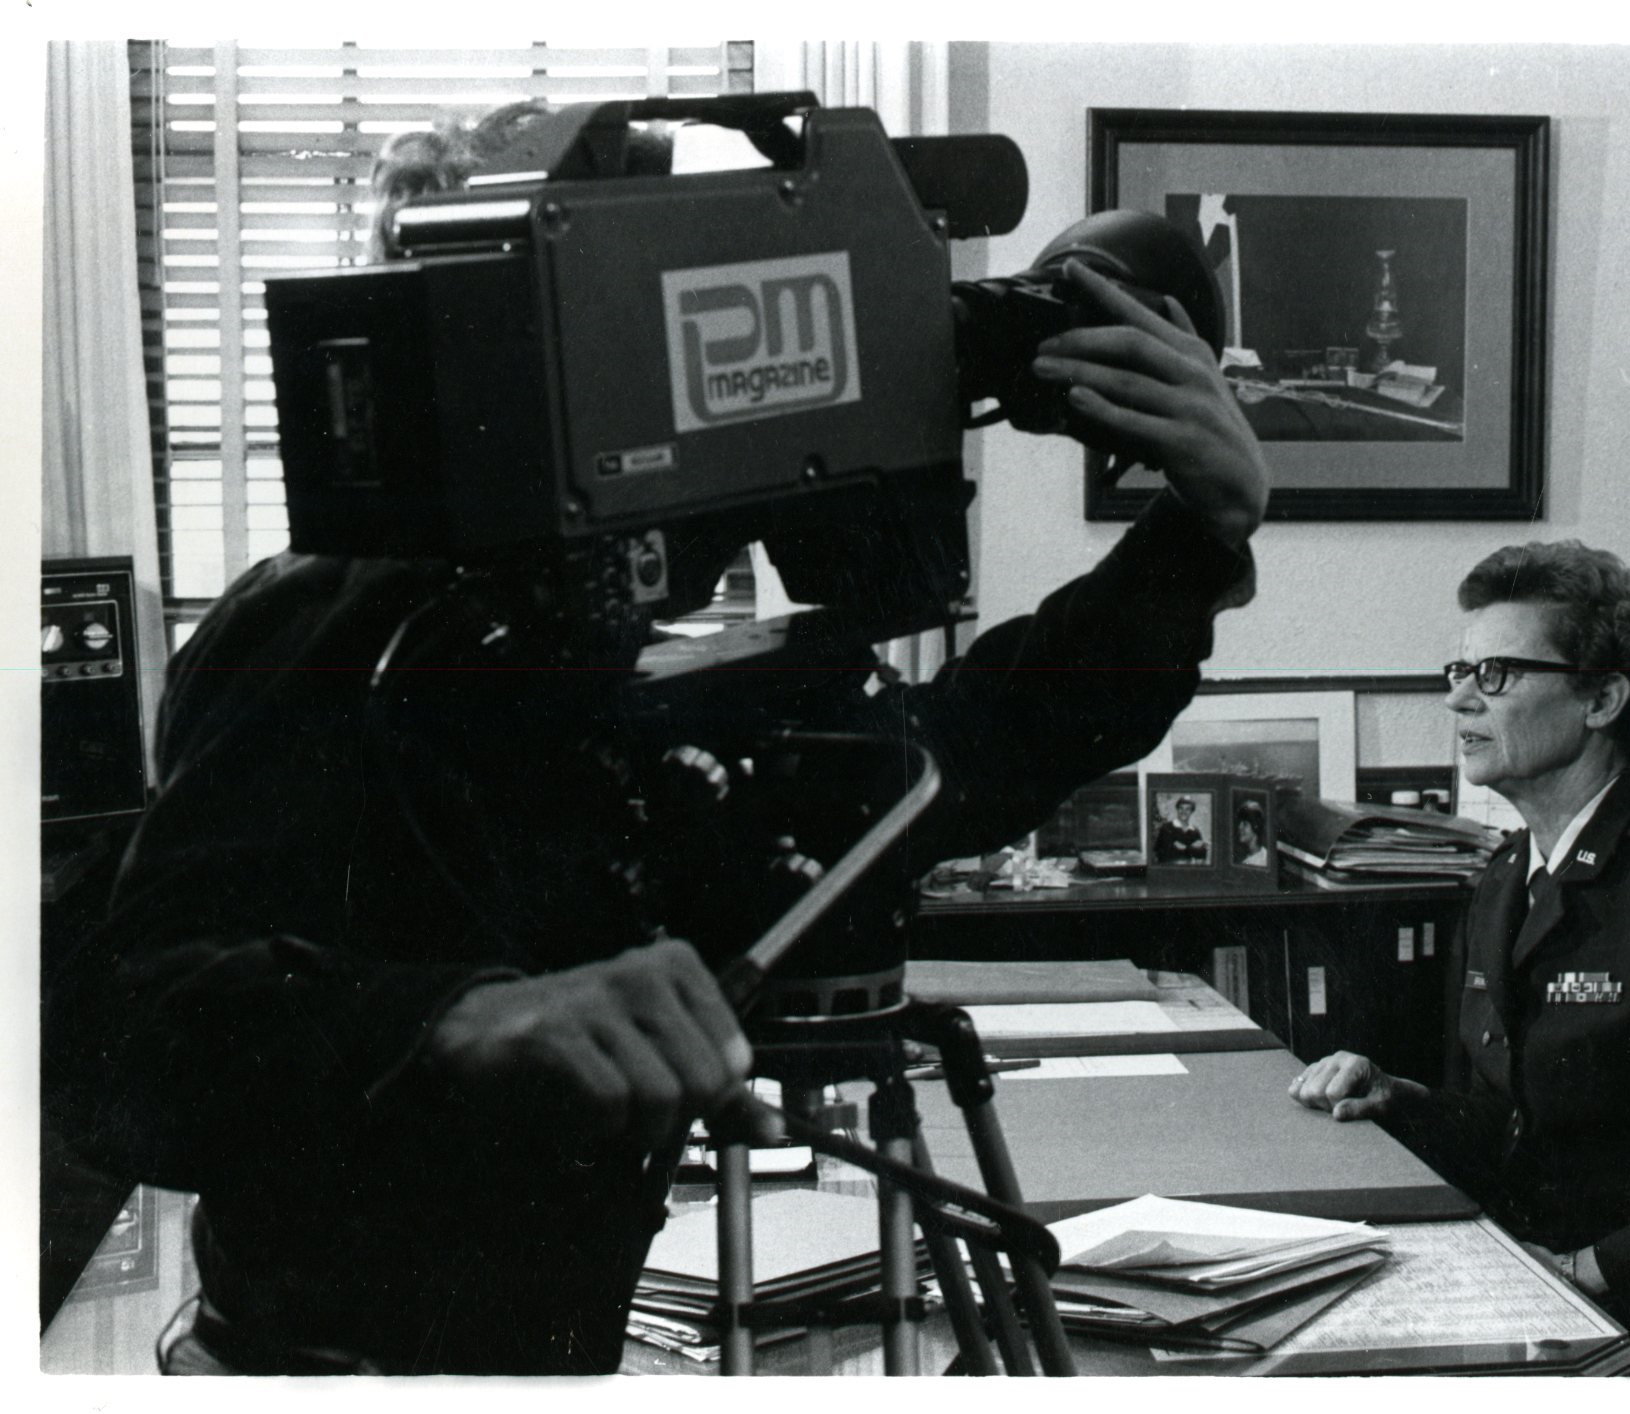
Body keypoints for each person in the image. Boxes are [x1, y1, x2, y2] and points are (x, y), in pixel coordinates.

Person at [51, 103, 1270, 1375]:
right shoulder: (325, 618)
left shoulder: (623, 620)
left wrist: (1191, 545)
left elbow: (916, 780)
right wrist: (462, 1023)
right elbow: (118, 1035)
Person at [1287, 541, 1630, 1375]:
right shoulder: (1506, 874)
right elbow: (1513, 1125)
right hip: (1541, 1285)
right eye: (1458, 670)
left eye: (1497, 674)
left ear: (1601, 698)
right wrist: (1397, 1098)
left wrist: (1587, 1275)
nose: (1458, 697)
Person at [1153, 796, 1208, 864]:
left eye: (1187, 809)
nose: (1183, 812)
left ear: (1192, 811)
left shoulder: (1195, 831)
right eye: (1181, 808)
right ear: (1177, 809)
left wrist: (1185, 848)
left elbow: (1202, 854)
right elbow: (1163, 852)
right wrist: (1192, 848)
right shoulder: (1166, 828)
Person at [1233, 799, 1268, 867]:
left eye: (1245, 824)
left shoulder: (1265, 859)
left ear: (1255, 826)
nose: (1239, 827)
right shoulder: (1247, 861)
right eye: (1240, 823)